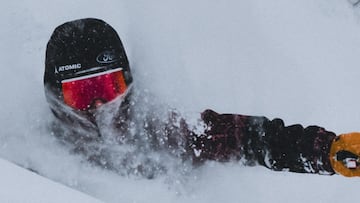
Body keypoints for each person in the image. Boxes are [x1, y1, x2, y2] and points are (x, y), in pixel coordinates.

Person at [44, 18, 360, 178]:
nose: (99, 104)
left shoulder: (157, 129)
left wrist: (325, 151)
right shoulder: (39, 148)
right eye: (82, 93)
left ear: (127, 81)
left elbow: (248, 138)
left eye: (109, 87)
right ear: (56, 95)